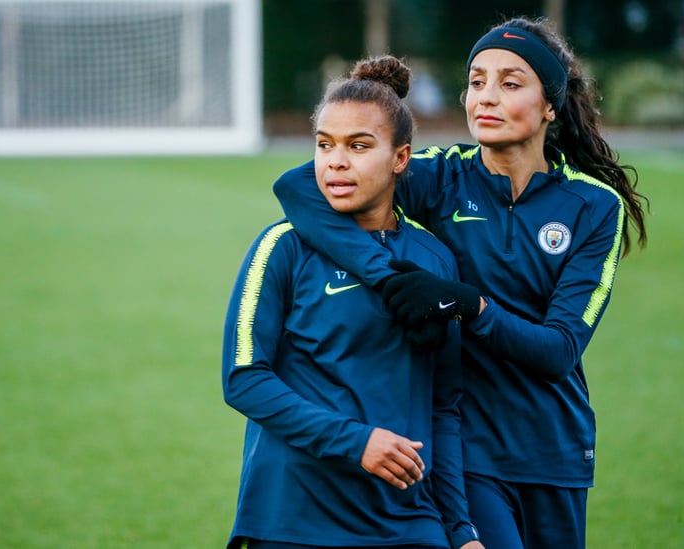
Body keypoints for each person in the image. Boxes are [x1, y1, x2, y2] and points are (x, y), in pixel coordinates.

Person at [272, 17, 649, 549]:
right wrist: (387, 278)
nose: (486, 98)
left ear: (550, 106)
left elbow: (559, 351)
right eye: (476, 82)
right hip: (466, 452)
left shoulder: (593, 206)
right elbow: (299, 186)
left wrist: (469, 306)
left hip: (555, 452)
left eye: (510, 83)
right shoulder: (439, 176)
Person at [222, 55, 484, 549]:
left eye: (359, 146)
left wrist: (460, 528)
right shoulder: (282, 247)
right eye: (325, 145)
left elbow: (443, 406)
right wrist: (356, 441)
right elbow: (244, 380)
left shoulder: (434, 259)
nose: (336, 161)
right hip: (293, 518)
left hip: (407, 519)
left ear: (400, 159)